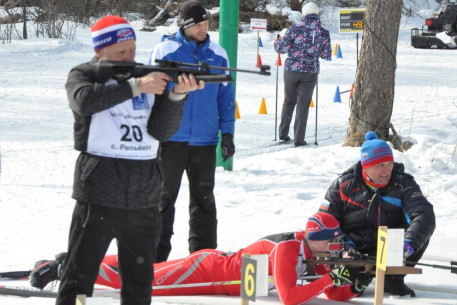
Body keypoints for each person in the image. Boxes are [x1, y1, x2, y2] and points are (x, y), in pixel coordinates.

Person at [56, 15, 205, 305]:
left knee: (139, 285)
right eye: (121, 52)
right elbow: (84, 101)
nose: (129, 57)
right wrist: (136, 87)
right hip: (98, 193)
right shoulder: (84, 74)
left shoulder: (150, 76)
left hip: (144, 197)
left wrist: (177, 95)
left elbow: (161, 130)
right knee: (79, 277)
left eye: (133, 50)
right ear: (101, 53)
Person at [31, 213, 371, 305]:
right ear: (318, 242)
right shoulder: (288, 250)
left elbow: (332, 293)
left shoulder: (313, 253)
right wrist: (331, 278)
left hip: (218, 270)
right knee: (139, 279)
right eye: (335, 242)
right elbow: (290, 298)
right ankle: (67, 265)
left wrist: (353, 284)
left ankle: (72, 264)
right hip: (209, 272)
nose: (338, 247)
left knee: (142, 272)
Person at [149, 0, 236, 262]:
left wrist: (228, 134)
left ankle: (203, 259)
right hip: (170, 139)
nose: (203, 28)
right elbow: (151, 93)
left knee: (204, 201)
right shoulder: (164, 50)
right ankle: (154, 259)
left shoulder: (219, 54)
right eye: (198, 24)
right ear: (185, 26)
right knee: (163, 201)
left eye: (206, 22)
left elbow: (226, 97)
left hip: (205, 141)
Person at [319, 131, 436, 297]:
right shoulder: (343, 184)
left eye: (389, 163)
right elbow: (323, 221)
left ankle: (392, 279)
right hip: (353, 250)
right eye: (380, 165)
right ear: (365, 166)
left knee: (421, 234)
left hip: (390, 249)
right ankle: (352, 273)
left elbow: (424, 215)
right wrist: (344, 248)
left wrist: (405, 247)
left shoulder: (404, 183)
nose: (386, 170)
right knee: (351, 292)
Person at [274, 2, 332, 147]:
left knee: (289, 100)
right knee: (303, 105)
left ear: (304, 14)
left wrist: (277, 41)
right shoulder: (323, 32)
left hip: (292, 69)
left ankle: (283, 133)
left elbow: (282, 49)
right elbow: (326, 54)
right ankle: (299, 139)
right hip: (310, 70)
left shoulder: (294, 28)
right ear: (317, 14)